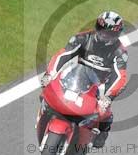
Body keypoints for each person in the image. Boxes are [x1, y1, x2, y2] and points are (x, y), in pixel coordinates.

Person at [40, 11, 129, 147]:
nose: (105, 36)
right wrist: (50, 74)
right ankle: (44, 116)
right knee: (45, 93)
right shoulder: (82, 38)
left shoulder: (120, 52)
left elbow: (119, 76)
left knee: (105, 114)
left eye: (109, 34)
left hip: (100, 86)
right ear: (97, 27)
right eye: (102, 31)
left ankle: (101, 134)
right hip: (76, 77)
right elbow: (63, 55)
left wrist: (109, 96)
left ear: (116, 34)